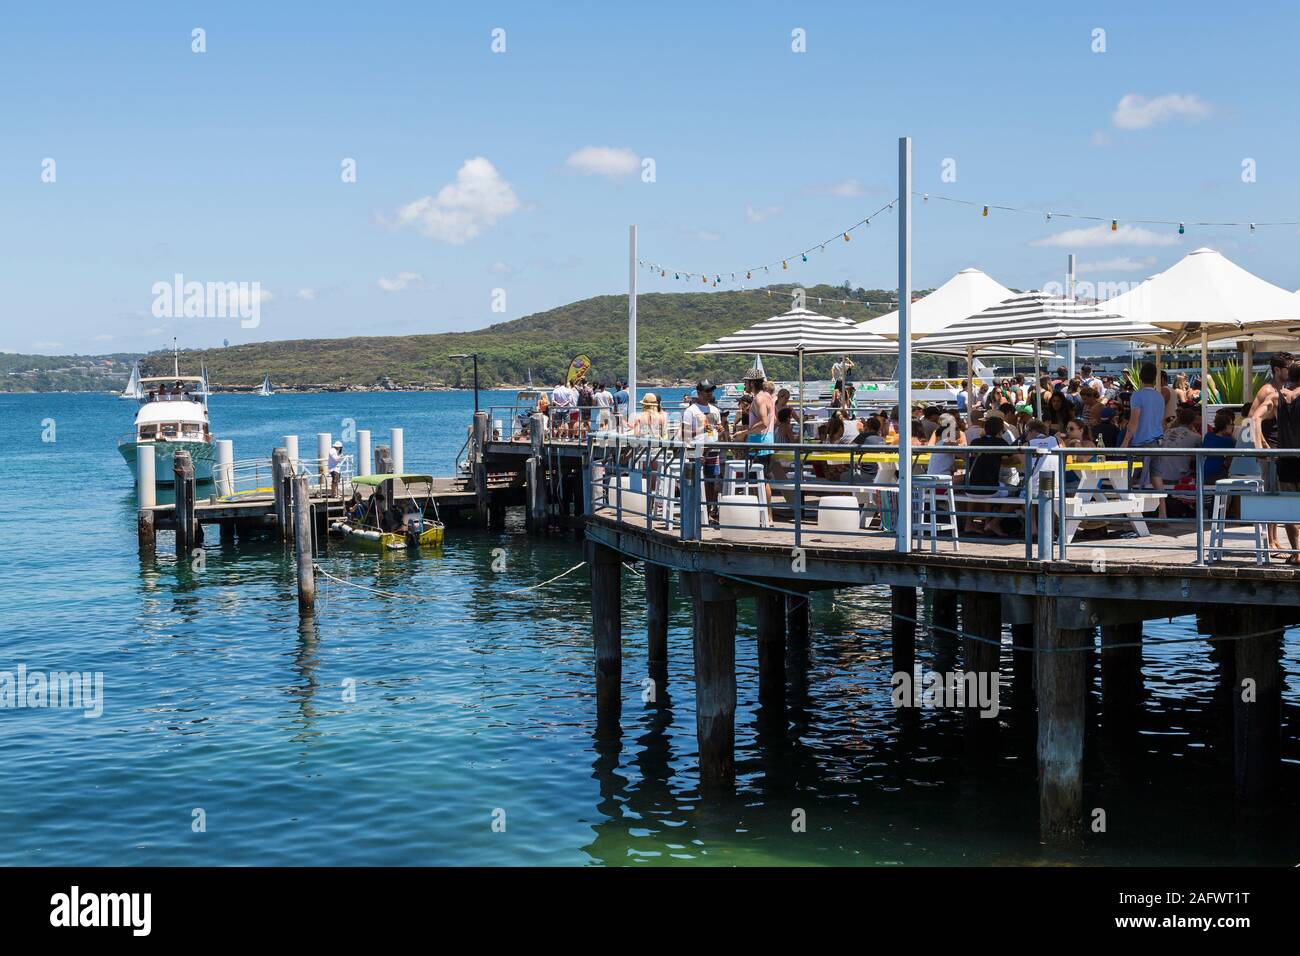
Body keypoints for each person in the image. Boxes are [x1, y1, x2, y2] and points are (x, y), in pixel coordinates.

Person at [1122, 361, 1168, 519]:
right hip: (1158, 440)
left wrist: (1124, 442)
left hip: (1141, 442)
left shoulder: (1137, 395)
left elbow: (1134, 422)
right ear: (1155, 378)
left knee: (1131, 478)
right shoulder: (1159, 396)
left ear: (1140, 377)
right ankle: (1163, 513)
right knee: (1157, 476)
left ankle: (1132, 514)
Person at [682, 380, 724, 522]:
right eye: (707, 391)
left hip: (713, 448)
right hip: (695, 449)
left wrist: (721, 429)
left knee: (711, 481)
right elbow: (684, 433)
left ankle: (709, 511)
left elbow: (719, 428)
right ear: (699, 393)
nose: (709, 394)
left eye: (711, 391)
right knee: (694, 481)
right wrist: (701, 429)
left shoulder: (715, 410)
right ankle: (694, 511)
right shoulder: (690, 411)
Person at [965, 415, 1013, 536]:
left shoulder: (975, 442)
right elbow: (1013, 458)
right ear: (1000, 430)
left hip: (970, 488)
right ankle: (993, 523)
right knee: (1015, 492)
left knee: (980, 486)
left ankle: (970, 524)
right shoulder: (1001, 443)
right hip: (990, 489)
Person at [1273, 362, 1300, 562]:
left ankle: (1297, 552)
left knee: (1291, 508)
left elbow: (1254, 417)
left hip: (1285, 459)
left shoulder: (1280, 396)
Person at [1201, 407, 1236, 486]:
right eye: (1231, 424)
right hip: (1218, 473)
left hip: (1205, 471)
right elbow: (1232, 458)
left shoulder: (1208, 436)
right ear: (1226, 426)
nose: (1233, 426)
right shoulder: (1229, 441)